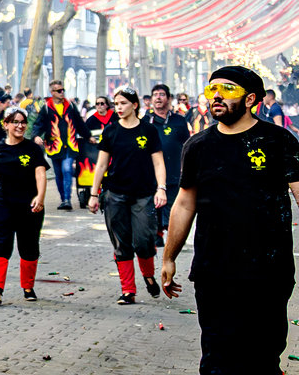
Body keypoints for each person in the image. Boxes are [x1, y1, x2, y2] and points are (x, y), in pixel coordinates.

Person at [163, 66, 299, 375]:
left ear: (251, 98)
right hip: (214, 270)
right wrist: (168, 256)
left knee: (263, 354)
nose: (216, 96)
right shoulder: (198, 145)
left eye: (227, 89)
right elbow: (184, 202)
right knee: (218, 351)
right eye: (212, 89)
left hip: (269, 270)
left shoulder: (277, 140)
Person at [88, 88, 167, 304]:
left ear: (135, 105)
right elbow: (101, 164)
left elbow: (158, 162)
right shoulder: (111, 131)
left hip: (144, 194)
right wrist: (94, 194)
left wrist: (161, 188)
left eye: (123, 103)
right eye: (116, 104)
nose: (119, 108)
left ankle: (148, 275)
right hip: (115, 194)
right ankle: (128, 290)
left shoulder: (148, 130)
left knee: (144, 241)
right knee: (121, 243)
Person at [0, 108, 47, 305]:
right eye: (15, 122)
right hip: (2, 203)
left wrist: (40, 197)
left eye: (23, 122)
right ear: (6, 125)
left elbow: (40, 173)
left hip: (29, 205)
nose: (20, 126)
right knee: (0, 244)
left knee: (29, 246)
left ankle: (28, 287)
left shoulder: (33, 149)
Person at [145, 83, 191, 248]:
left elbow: (187, 145)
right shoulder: (145, 122)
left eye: (162, 94)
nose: (158, 98)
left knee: (173, 208)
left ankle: (173, 238)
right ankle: (157, 235)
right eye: (155, 94)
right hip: (151, 173)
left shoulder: (179, 121)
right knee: (154, 207)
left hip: (174, 172)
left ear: (169, 98)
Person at [32, 79, 86, 210]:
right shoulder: (46, 108)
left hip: (70, 145)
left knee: (67, 169)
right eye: (59, 90)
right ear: (52, 92)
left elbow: (79, 123)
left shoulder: (71, 106)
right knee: (59, 174)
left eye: (63, 90)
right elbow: (38, 124)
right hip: (54, 146)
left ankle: (67, 199)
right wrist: (36, 136)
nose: (62, 92)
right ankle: (63, 199)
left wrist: (88, 136)